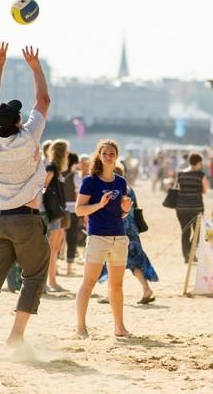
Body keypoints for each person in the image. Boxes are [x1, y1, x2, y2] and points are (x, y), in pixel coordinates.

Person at [0, 43, 52, 357]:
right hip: (25, 219)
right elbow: (43, 100)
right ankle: (15, 336)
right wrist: (35, 66)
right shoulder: (27, 138)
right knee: (34, 276)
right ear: (17, 123)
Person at [75, 139, 134, 338]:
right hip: (98, 236)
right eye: (105, 153)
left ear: (117, 157)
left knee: (117, 285)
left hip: (119, 236)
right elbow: (79, 210)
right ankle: (81, 327)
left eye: (112, 154)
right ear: (99, 156)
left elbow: (121, 213)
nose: (108, 157)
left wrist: (125, 210)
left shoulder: (121, 181)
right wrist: (99, 205)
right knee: (89, 282)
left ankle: (119, 327)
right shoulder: (90, 181)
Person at [98, 164, 159, 304]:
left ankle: (111, 295)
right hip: (131, 230)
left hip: (118, 229)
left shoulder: (114, 190)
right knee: (134, 263)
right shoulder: (130, 189)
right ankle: (146, 290)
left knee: (112, 262)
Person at [43, 139, 69, 292]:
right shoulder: (51, 166)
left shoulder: (57, 168)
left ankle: (52, 281)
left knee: (55, 248)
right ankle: (47, 282)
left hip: (58, 211)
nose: (68, 154)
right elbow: (43, 186)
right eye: (66, 151)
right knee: (51, 249)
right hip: (51, 212)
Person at [175, 152, 208, 263]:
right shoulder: (201, 175)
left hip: (181, 208)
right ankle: (190, 251)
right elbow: (204, 190)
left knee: (185, 232)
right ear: (199, 163)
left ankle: (187, 256)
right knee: (198, 232)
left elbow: (176, 189)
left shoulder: (180, 174)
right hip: (196, 208)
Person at [63, 152, 82, 276]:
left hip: (60, 209)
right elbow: (77, 195)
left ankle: (55, 267)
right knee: (71, 239)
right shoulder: (76, 177)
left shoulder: (60, 174)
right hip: (73, 210)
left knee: (58, 240)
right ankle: (69, 268)